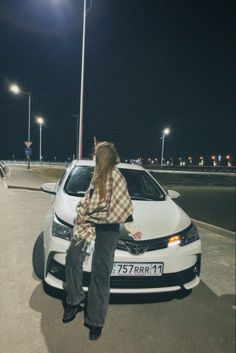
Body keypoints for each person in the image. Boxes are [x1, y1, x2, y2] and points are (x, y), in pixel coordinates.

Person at [63, 141, 142, 340]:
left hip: (108, 227)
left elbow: (124, 206)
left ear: (103, 157)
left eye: (96, 154)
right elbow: (88, 201)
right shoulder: (97, 176)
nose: (93, 156)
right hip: (89, 223)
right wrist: (81, 213)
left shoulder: (116, 176)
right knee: (73, 256)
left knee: (101, 271)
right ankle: (74, 300)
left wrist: (132, 230)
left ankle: (95, 320)